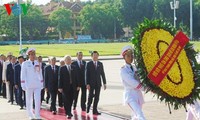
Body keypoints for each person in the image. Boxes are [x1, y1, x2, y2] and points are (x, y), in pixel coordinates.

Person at [120, 45, 146, 120]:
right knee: (139, 113)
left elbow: (141, 78)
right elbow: (132, 82)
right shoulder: (123, 70)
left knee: (135, 116)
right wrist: (144, 88)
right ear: (124, 57)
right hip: (130, 95)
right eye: (128, 56)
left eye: (132, 55)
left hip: (138, 95)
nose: (131, 58)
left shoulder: (135, 67)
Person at [21, 48, 43, 119]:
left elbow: (40, 73)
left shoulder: (38, 63)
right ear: (29, 55)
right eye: (32, 55)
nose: (33, 56)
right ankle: (30, 115)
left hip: (37, 84)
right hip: (29, 85)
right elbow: (23, 75)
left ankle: (37, 115)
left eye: (34, 54)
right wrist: (23, 84)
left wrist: (42, 82)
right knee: (29, 100)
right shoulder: (25, 63)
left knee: (37, 100)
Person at [86, 51, 107, 115]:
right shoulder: (89, 64)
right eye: (94, 55)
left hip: (98, 83)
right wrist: (87, 83)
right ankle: (88, 106)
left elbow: (102, 74)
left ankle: (95, 110)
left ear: (98, 56)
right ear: (92, 56)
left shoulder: (100, 64)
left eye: (96, 55)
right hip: (91, 83)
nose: (95, 57)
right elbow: (86, 74)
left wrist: (104, 83)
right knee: (90, 96)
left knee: (97, 97)